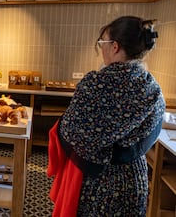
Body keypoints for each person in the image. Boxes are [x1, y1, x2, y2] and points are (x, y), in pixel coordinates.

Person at [48, 16, 166, 216]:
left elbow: (70, 132)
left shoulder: (95, 84)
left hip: (96, 181)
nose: (101, 48)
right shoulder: (153, 88)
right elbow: (152, 133)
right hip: (133, 178)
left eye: (103, 42)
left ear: (115, 47)